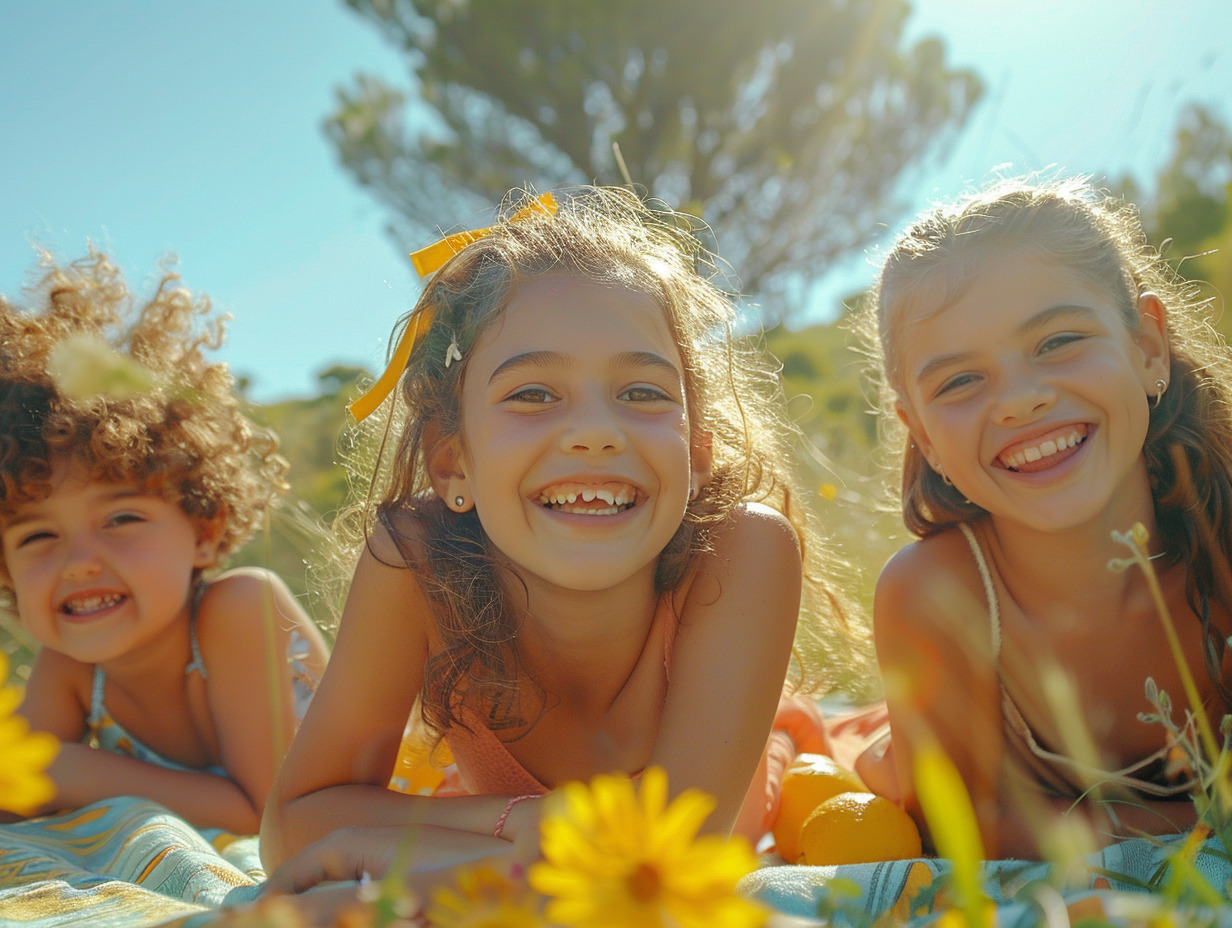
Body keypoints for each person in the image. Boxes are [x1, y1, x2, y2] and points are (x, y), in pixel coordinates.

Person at [260, 186, 859, 888]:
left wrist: (400, 863)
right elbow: (294, 826)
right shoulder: (416, 560)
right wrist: (517, 822)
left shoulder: (742, 550)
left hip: (760, 787)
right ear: (453, 462)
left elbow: (656, 869)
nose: (596, 431)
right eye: (533, 394)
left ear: (696, 452)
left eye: (641, 393)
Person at [862, 176, 1232, 858]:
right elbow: (965, 825)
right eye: (961, 381)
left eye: (1058, 341)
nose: (1020, 401)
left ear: (1148, 347)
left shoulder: (1223, 539)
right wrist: (1199, 826)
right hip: (904, 755)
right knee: (857, 765)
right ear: (924, 436)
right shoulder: (936, 595)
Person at [0, 251, 329, 835]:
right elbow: (12, 789)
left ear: (203, 530)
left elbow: (271, 816)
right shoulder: (72, 668)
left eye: (122, 519)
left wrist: (65, 769)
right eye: (39, 536)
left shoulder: (237, 610)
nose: (79, 564)